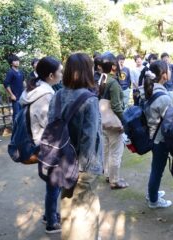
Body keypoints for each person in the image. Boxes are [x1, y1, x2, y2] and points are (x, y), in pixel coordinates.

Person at [47, 53, 103, 239]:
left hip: (61, 161)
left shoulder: (57, 96)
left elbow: (51, 127)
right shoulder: (90, 99)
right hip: (83, 165)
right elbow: (89, 137)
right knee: (85, 211)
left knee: (67, 204)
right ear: (88, 71)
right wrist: (84, 169)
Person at [19, 56, 63, 234]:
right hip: (44, 143)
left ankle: (49, 214)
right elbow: (50, 125)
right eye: (60, 71)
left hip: (35, 140)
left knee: (51, 182)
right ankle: (51, 221)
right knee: (55, 182)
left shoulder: (34, 89)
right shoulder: (46, 95)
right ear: (51, 75)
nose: (62, 74)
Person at [140, 60, 173, 208]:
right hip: (159, 139)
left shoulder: (147, 89)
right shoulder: (164, 98)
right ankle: (153, 200)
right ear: (164, 75)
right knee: (157, 170)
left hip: (150, 135)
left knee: (155, 167)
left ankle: (152, 192)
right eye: (169, 70)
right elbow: (170, 122)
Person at [101, 52, 128, 189]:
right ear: (113, 66)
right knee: (116, 152)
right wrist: (124, 121)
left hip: (104, 122)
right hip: (114, 123)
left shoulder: (102, 79)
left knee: (106, 150)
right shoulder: (113, 83)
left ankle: (108, 175)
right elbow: (117, 106)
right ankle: (115, 180)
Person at [3, 54, 24, 121]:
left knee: (22, 114)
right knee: (16, 114)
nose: (17, 62)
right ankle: (15, 130)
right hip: (15, 97)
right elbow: (6, 84)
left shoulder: (21, 72)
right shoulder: (10, 72)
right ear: (11, 63)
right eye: (15, 61)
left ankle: (21, 130)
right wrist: (11, 95)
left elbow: (23, 82)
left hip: (22, 96)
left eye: (17, 60)